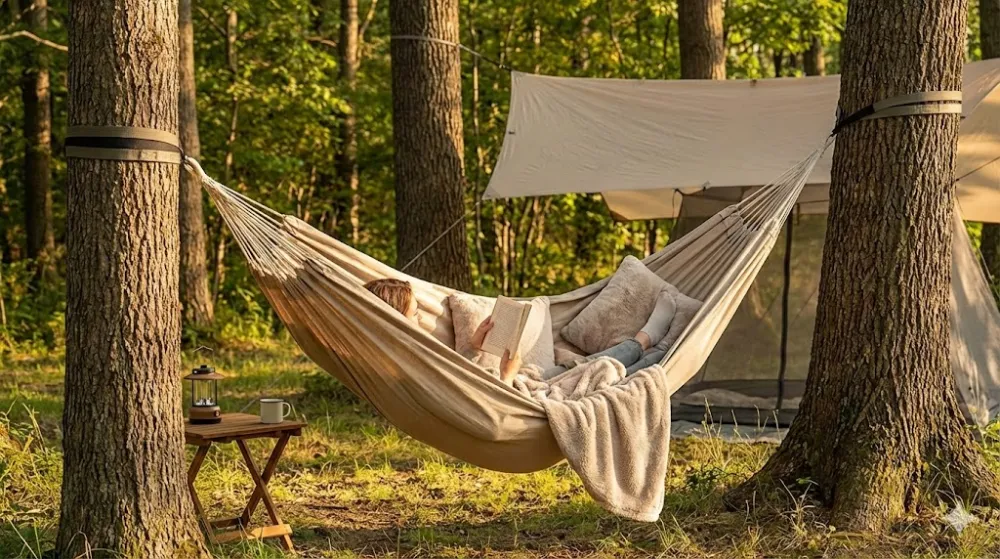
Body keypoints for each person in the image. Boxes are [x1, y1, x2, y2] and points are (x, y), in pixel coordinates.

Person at [363, 278, 673, 386]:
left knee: (597, 369)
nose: (420, 316)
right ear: (395, 317)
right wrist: (508, 376)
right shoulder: (409, 365)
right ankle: (650, 342)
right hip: (515, 391)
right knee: (598, 369)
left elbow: (461, 380)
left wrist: (473, 345)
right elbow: (472, 406)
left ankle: (658, 351)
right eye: (414, 312)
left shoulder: (413, 351)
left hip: (519, 383)